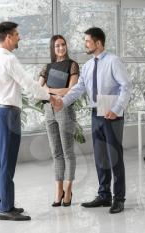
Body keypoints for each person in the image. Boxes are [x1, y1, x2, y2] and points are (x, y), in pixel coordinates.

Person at [52, 27, 131, 214]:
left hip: (112, 114)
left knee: (114, 158)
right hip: (96, 113)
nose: (85, 44)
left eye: (87, 41)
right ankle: (104, 195)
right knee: (100, 157)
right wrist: (61, 102)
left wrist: (117, 108)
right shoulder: (87, 66)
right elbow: (78, 89)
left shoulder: (113, 61)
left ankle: (118, 198)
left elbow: (126, 86)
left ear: (98, 43)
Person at [0, 21, 54, 221]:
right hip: (9, 114)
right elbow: (28, 83)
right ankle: (6, 208)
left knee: (2, 161)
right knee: (8, 161)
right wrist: (49, 96)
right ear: (8, 37)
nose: (19, 38)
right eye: (16, 34)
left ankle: (5, 204)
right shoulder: (9, 60)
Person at [38, 35, 79, 207]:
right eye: (57, 46)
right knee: (56, 153)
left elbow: (71, 90)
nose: (61, 48)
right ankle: (58, 190)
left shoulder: (72, 65)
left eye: (63, 45)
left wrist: (51, 91)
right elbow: (39, 87)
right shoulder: (47, 66)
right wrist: (54, 92)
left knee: (68, 152)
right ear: (53, 49)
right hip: (49, 110)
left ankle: (68, 190)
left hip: (64, 110)